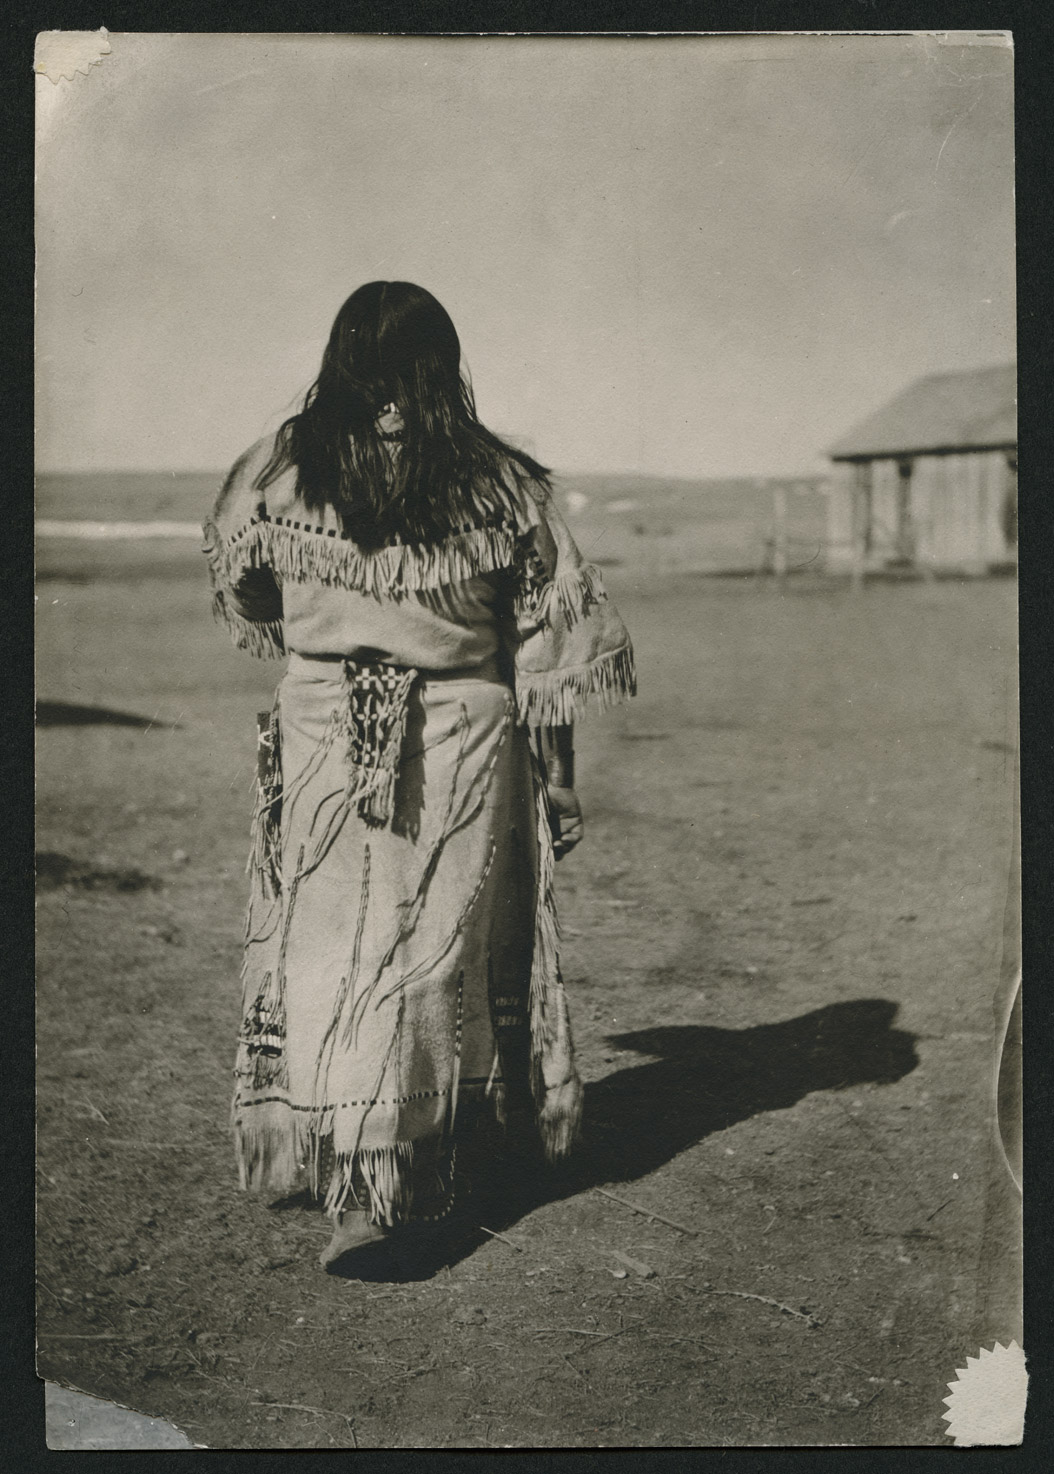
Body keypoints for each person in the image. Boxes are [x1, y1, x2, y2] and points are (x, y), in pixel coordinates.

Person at [203, 281, 635, 1271]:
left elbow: (247, 588)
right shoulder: (498, 481)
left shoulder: (277, 468)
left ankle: (370, 1174)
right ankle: (372, 1167)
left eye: (407, 373)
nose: (393, 394)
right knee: (398, 956)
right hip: (407, 727)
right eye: (382, 372)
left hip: (388, 729)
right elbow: (552, 644)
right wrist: (556, 776)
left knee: (374, 954)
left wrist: (333, 634)